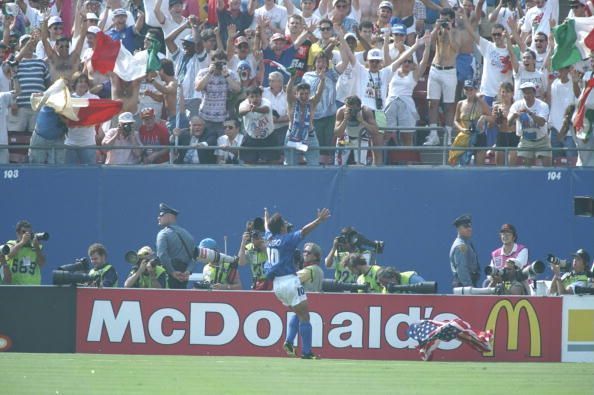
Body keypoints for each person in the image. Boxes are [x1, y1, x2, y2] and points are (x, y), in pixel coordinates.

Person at [264, 207, 331, 359]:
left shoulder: (269, 238)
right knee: (305, 317)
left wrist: (266, 217)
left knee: (298, 313)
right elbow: (304, 231)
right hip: (289, 281)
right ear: (281, 227)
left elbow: (267, 227)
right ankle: (306, 352)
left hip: (277, 285)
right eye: (284, 223)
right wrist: (319, 221)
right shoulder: (286, 239)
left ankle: (289, 341)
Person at [155, 202, 238, 289]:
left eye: (161, 215)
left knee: (168, 300)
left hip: (169, 274)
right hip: (184, 274)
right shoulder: (187, 235)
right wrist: (187, 271)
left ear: (169, 216)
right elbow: (194, 256)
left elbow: (162, 255)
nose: (158, 218)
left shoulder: (163, 234)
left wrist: (172, 272)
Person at [285, 71, 325, 166]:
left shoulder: (312, 103)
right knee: (290, 166)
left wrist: (322, 80)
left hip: (310, 136)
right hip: (292, 135)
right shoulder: (292, 102)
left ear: (309, 94)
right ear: (296, 94)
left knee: (314, 165)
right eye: (301, 94)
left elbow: (319, 93)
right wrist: (292, 79)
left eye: (306, 94)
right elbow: (288, 91)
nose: (304, 96)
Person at [507, 81, 551, 166]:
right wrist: (515, 115)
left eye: (529, 93)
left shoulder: (542, 105)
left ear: (534, 93)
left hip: (542, 139)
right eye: (525, 93)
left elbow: (542, 123)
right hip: (526, 140)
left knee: (547, 167)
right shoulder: (517, 105)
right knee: (527, 168)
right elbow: (509, 123)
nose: (527, 95)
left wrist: (529, 112)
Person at [449, 80, 491, 166]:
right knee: (462, 166)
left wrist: (484, 118)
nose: (468, 91)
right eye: (466, 89)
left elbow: (492, 118)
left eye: (471, 89)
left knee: (479, 167)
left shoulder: (481, 102)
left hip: (479, 136)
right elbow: (456, 120)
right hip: (464, 137)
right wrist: (462, 129)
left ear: (475, 90)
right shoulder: (460, 103)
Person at [486, 224, 529, 295]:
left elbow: (519, 264)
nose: (505, 236)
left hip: (520, 283)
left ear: (514, 237)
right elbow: (490, 272)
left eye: (508, 234)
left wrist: (508, 264)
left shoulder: (522, 249)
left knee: (514, 288)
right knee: (490, 286)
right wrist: (493, 277)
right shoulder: (495, 253)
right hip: (503, 283)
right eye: (503, 234)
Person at [239, 86, 278, 164]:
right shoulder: (244, 104)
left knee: (273, 162)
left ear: (261, 96)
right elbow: (241, 112)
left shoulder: (266, 102)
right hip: (251, 137)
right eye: (252, 97)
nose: (255, 99)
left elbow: (266, 109)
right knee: (248, 163)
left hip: (268, 136)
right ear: (247, 97)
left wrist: (255, 109)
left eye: (257, 96)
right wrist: (248, 109)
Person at [3, 220, 46, 285]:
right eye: (24, 232)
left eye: (29, 232)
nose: (27, 235)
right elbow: (9, 255)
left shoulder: (36, 247)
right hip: (15, 287)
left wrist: (37, 248)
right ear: (17, 233)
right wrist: (22, 242)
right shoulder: (11, 243)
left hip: (32, 287)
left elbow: (41, 264)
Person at [238, 217, 270, 290]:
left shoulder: (268, 245)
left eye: (257, 235)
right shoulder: (249, 248)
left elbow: (274, 259)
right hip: (257, 283)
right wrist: (243, 243)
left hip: (271, 282)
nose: (255, 238)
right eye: (253, 236)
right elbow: (241, 263)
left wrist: (263, 246)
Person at [450, 214, 480, 287]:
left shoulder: (466, 242)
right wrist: (469, 287)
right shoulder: (460, 245)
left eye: (470, 226)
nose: (469, 229)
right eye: (466, 227)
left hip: (467, 282)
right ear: (458, 229)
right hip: (464, 284)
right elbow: (462, 269)